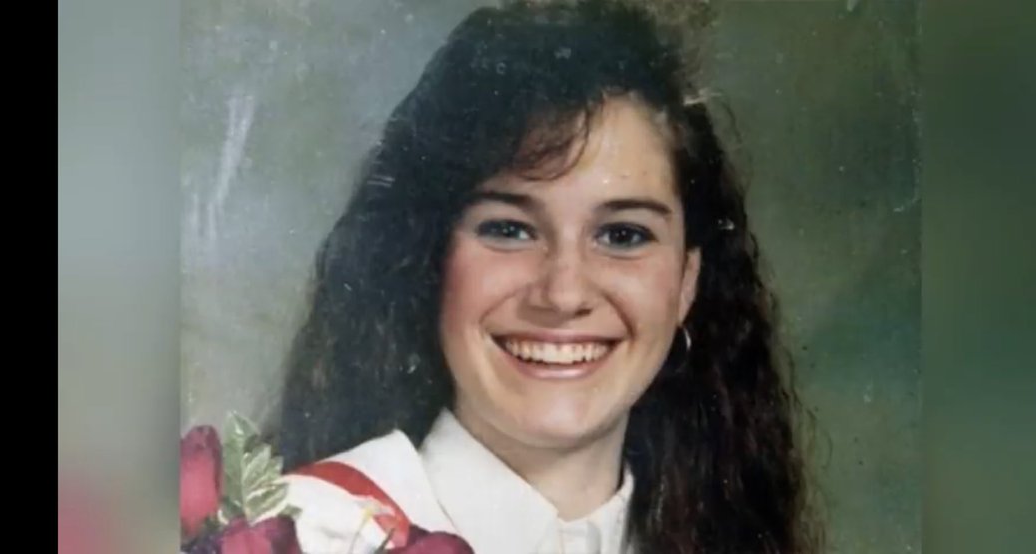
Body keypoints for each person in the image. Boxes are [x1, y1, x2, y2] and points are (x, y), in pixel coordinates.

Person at [277, 1, 821, 552]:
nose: (564, 293)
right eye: (510, 229)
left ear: (686, 283)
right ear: (431, 260)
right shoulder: (313, 532)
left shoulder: (726, 538)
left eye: (623, 235)